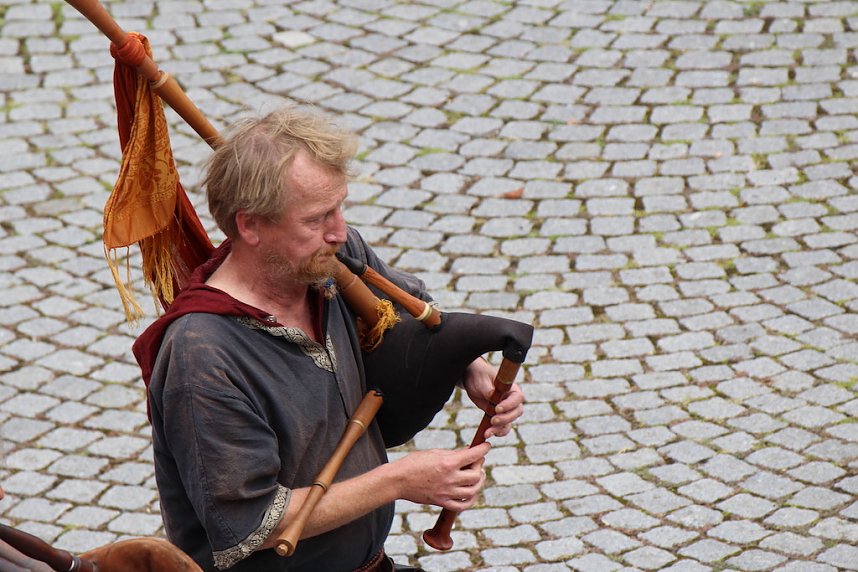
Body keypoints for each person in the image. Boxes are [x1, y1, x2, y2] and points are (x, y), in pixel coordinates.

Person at [133, 106, 525, 572]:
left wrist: (469, 367)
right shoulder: (203, 356)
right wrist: (398, 480)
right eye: (317, 218)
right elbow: (249, 524)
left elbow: (413, 319)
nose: (338, 231)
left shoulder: (333, 263)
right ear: (250, 225)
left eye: (339, 207)